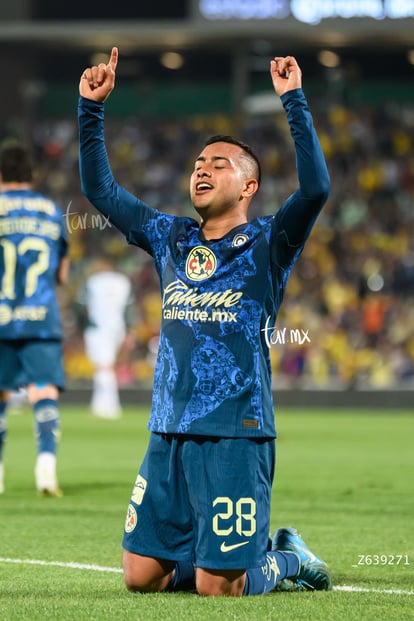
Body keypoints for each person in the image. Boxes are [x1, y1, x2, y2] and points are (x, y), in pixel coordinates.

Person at [78, 48, 332, 596]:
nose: (202, 169)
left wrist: (294, 100)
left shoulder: (269, 241)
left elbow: (315, 190)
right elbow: (101, 193)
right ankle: (221, 557)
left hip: (235, 432)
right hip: (168, 426)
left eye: (219, 164)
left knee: (220, 590)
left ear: (248, 188)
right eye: (198, 163)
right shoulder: (170, 237)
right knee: (141, 578)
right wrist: (90, 109)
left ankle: (285, 558)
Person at [0, 143, 69, 496]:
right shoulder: (51, 211)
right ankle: (45, 468)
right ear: (33, 175)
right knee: (43, 390)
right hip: (41, 318)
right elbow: (61, 274)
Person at [80, 257, 133, 419]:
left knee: (104, 367)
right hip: (118, 328)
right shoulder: (123, 282)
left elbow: (81, 305)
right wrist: (129, 330)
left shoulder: (93, 281)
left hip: (98, 328)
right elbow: (129, 309)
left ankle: (111, 405)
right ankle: (99, 403)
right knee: (106, 366)